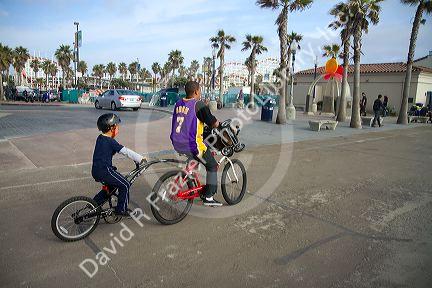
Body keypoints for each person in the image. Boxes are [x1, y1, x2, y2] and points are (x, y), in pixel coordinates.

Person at [170, 81, 222, 207]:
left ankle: (185, 178)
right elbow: (213, 123)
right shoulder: (198, 105)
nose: (200, 93)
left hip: (177, 142)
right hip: (192, 145)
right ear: (196, 92)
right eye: (200, 91)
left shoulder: (178, 103)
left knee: (194, 161)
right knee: (212, 165)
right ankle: (209, 197)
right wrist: (219, 125)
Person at [92, 113, 146, 216]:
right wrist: (140, 158)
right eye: (117, 126)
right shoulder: (110, 141)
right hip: (105, 171)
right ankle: (121, 210)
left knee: (110, 188)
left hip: (97, 170)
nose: (118, 128)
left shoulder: (100, 138)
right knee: (125, 185)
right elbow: (125, 151)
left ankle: (93, 205)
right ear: (111, 128)